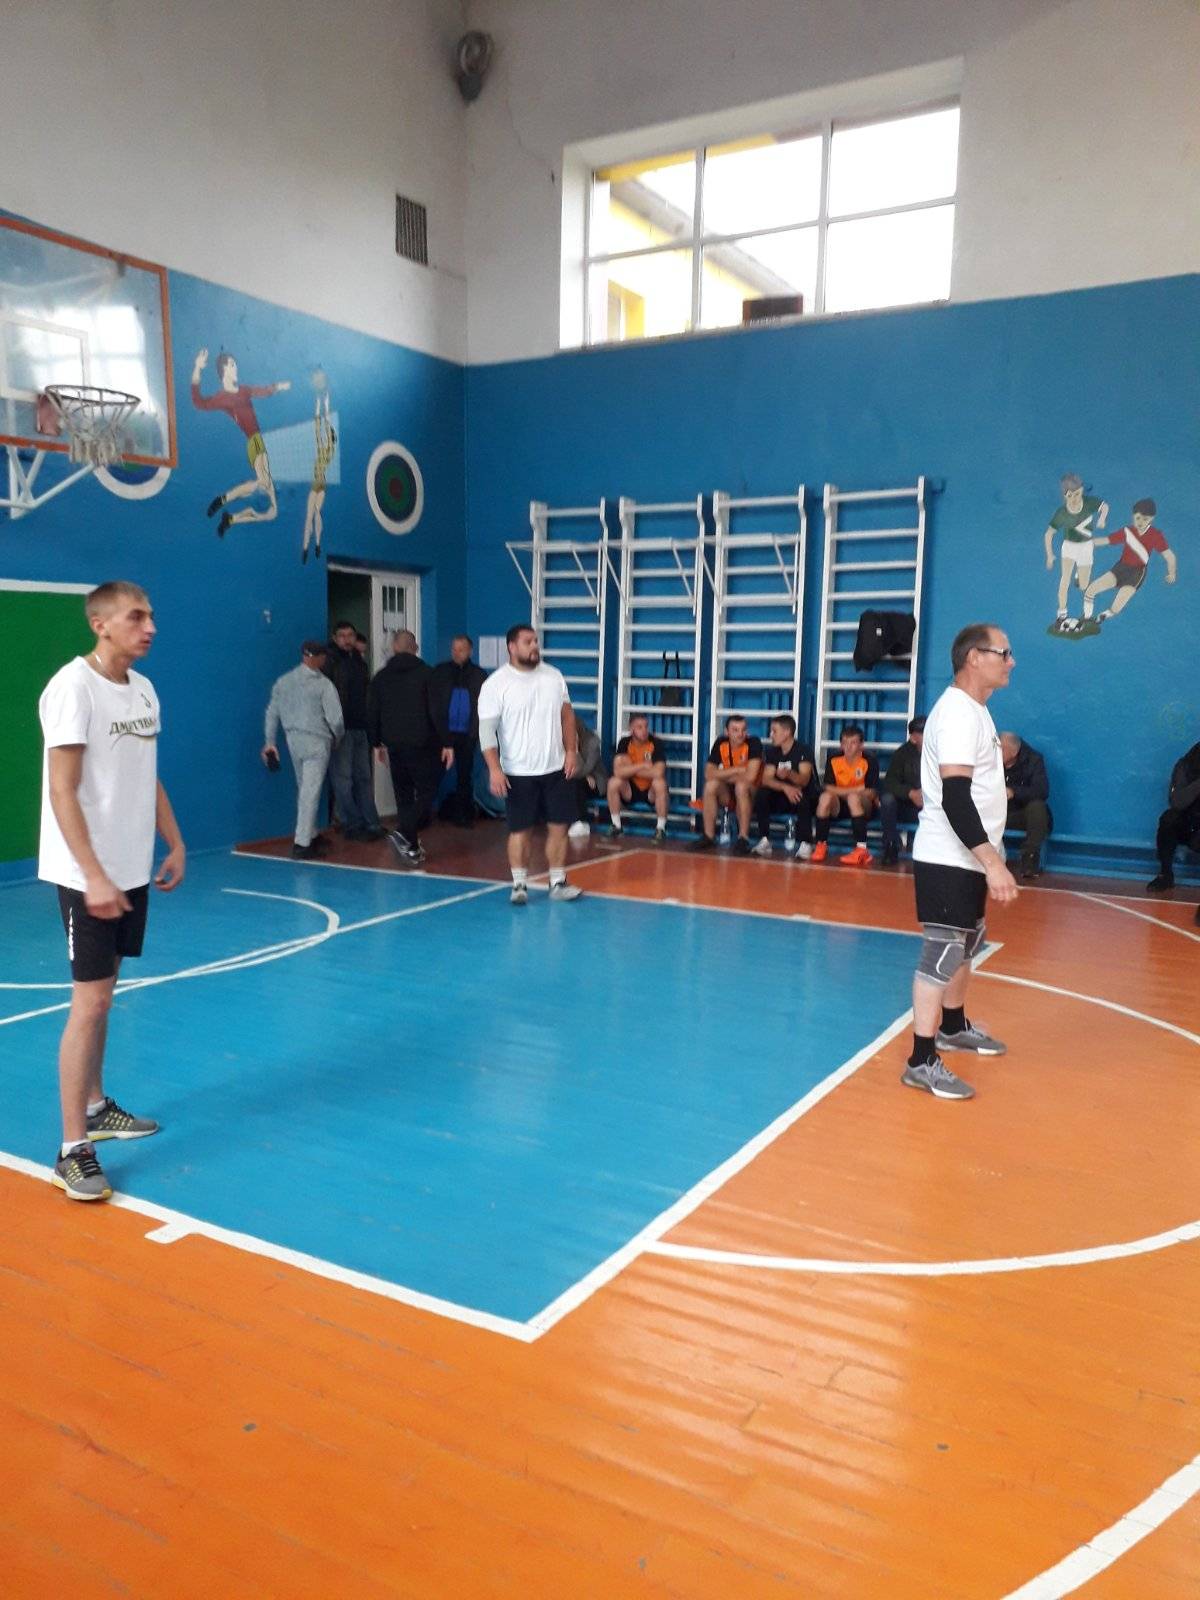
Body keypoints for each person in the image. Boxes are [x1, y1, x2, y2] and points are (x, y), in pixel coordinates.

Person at [38, 581, 186, 1202]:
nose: (150, 626)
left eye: (151, 615)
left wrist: (174, 840)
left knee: (106, 996)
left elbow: (146, 774)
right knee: (90, 1003)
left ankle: (97, 1107)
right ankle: (72, 1149)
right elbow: (61, 788)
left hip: (130, 869)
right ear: (100, 624)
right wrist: (93, 873)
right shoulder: (72, 687)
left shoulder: (144, 690)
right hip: (87, 876)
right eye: (136, 616)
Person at [904, 622, 1018, 1101]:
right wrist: (992, 862)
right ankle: (921, 1060)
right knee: (943, 950)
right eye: (1003, 653)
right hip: (947, 857)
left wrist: (991, 852)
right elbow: (954, 797)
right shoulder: (955, 714)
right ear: (974, 657)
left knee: (968, 942)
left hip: (967, 855)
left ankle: (952, 1027)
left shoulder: (977, 710)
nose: (1011, 662)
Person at [478, 624, 582, 904]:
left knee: (559, 826)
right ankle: (519, 884)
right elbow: (487, 732)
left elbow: (567, 716)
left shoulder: (553, 676)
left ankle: (557, 881)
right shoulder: (495, 684)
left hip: (556, 768)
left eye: (536, 641)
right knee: (520, 830)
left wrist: (571, 751)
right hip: (518, 772)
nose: (535, 646)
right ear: (512, 647)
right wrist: (494, 769)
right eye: (528, 642)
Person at [367, 630, 452, 865]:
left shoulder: (381, 677)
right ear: (415, 648)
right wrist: (447, 741)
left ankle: (412, 846)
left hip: (394, 744)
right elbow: (437, 711)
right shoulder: (428, 675)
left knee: (403, 795)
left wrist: (376, 743)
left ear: (394, 647)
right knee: (427, 791)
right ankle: (405, 831)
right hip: (424, 744)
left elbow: (373, 711)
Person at [191, 347, 291, 537]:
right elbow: (199, 402)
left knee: (272, 512)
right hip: (254, 442)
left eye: (235, 364)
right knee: (262, 482)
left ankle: (231, 519)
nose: (235, 368)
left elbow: (262, 391)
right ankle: (223, 499)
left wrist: (278, 386)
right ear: (224, 370)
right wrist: (197, 368)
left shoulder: (244, 390)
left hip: (259, 442)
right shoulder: (222, 398)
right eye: (232, 365)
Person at [263, 641, 345, 859]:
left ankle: (311, 834)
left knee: (305, 788)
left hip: (293, 740)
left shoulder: (284, 681)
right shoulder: (324, 685)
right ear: (318, 658)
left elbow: (272, 713)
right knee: (311, 791)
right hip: (317, 740)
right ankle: (302, 844)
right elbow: (336, 719)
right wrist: (338, 737)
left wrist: (270, 742)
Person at [323, 619, 383, 841]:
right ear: (334, 638)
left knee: (364, 777)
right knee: (343, 779)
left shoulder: (359, 662)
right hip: (341, 728)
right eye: (342, 636)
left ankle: (371, 823)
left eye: (350, 635)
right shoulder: (330, 662)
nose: (347, 640)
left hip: (360, 727)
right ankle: (352, 823)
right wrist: (332, 727)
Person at [1080, 498, 1177, 630]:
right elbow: (1107, 540)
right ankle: (1086, 619)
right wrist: (1087, 544)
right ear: (1133, 516)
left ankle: (1103, 616)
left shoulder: (1155, 535)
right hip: (1120, 568)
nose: (1141, 522)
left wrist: (1172, 573)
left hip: (1136, 574)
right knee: (1091, 590)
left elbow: (1170, 556)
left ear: (1152, 519)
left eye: (1145, 519)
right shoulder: (1127, 531)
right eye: (1138, 518)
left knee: (1116, 608)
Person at [429, 634, 488, 827]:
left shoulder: (479, 675)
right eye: (454, 649)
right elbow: (434, 702)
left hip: (467, 734)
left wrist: (474, 732)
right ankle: (424, 812)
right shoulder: (440, 672)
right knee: (433, 773)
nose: (456, 653)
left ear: (470, 651)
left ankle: (464, 814)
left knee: (464, 775)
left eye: (461, 649)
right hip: (442, 733)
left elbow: (483, 706)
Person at [1042, 472, 1108, 630]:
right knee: (1065, 580)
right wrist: (1050, 555)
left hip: (1086, 547)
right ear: (1064, 496)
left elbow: (1104, 506)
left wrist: (1102, 519)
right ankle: (1061, 615)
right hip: (1069, 547)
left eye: (1077, 494)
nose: (1074, 498)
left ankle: (1079, 575)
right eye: (1070, 496)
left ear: (1082, 491)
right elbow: (1049, 534)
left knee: (1084, 585)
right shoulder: (1062, 513)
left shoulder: (1090, 503)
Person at [693, 715, 762, 853]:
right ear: (727, 732)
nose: (740, 734)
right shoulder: (721, 743)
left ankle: (743, 838)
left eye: (743, 729)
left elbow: (750, 776)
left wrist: (723, 774)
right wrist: (737, 770)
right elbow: (708, 773)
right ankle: (709, 836)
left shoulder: (753, 743)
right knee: (711, 785)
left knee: (741, 786)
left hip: (752, 793)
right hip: (729, 793)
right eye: (735, 730)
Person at [812, 723, 878, 866]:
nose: (848, 747)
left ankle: (862, 849)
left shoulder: (870, 760)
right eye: (845, 743)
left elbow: (870, 793)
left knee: (854, 799)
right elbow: (828, 788)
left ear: (861, 745)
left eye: (853, 743)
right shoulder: (833, 759)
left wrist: (847, 793)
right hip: (840, 804)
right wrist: (856, 790)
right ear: (841, 744)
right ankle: (821, 844)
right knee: (825, 798)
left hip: (863, 806)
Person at [1146, 740, 1200, 912]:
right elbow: (1177, 802)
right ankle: (1165, 875)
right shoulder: (1186, 766)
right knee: (1169, 819)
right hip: (1190, 823)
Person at [752, 714, 815, 857]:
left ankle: (806, 843)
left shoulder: (803, 750)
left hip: (801, 795)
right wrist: (785, 787)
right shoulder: (772, 752)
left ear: (787, 732)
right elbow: (766, 779)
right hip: (782, 794)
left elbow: (804, 780)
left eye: (774, 731)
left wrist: (789, 774)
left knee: (802, 797)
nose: (771, 735)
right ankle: (764, 840)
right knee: (762, 794)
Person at [607, 712, 669, 843]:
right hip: (630, 789)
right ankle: (616, 826)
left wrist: (629, 769)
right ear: (631, 729)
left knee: (660, 783)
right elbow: (617, 771)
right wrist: (642, 766)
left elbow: (658, 772)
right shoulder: (624, 742)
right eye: (639, 727)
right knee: (613, 782)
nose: (644, 730)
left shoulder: (656, 743)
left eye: (646, 726)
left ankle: (660, 829)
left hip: (650, 790)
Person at [999, 731, 1052, 880]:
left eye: (1001, 749)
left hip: (1020, 814)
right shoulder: (988, 759)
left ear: (1014, 752)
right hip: (996, 812)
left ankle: (1030, 858)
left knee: (1038, 807)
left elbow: (1041, 791)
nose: (996, 753)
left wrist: (1014, 792)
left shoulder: (1034, 760)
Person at [880, 716, 925, 866]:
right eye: (922, 732)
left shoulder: (941, 752)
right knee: (887, 800)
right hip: (907, 807)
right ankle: (891, 845)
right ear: (913, 737)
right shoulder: (901, 754)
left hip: (932, 805)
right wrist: (910, 793)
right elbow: (890, 782)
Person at [568, 718, 607, 838]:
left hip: (596, 782)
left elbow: (587, 768)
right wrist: (584, 775)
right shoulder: (563, 741)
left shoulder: (593, 742)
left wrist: (575, 750)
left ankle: (581, 821)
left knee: (576, 782)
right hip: (579, 777)